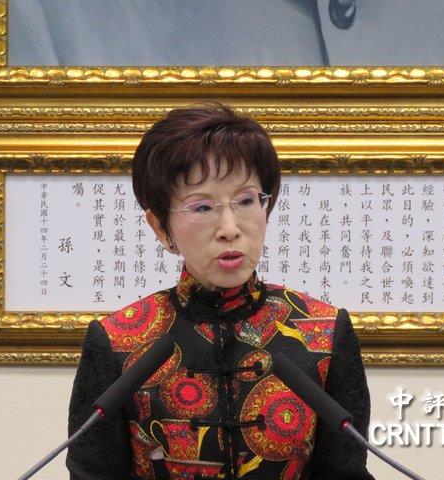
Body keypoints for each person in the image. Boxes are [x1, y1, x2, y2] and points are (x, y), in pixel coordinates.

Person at [67, 104, 374, 480]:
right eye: (202, 207)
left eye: (246, 201)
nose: (229, 228)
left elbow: (345, 472)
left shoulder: (324, 332)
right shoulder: (117, 341)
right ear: (160, 226)